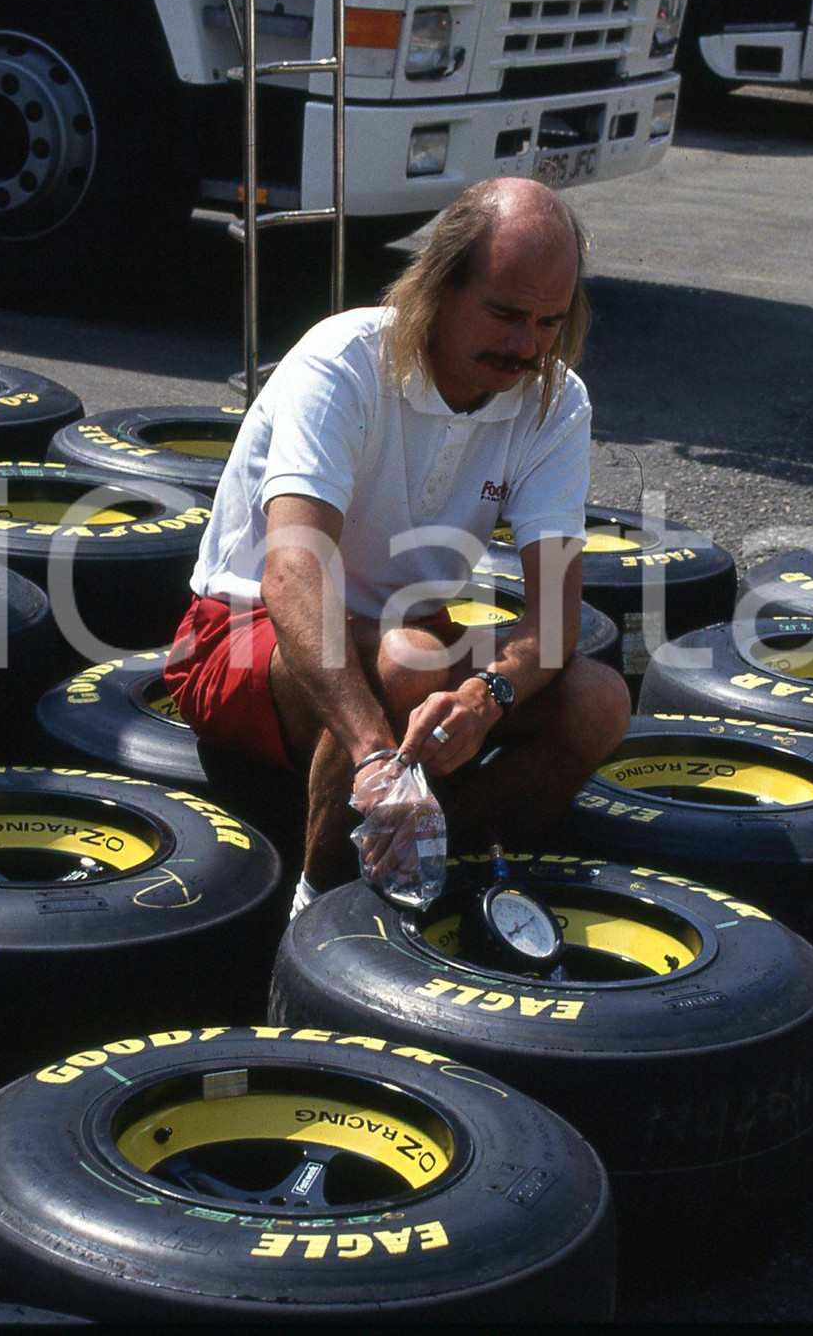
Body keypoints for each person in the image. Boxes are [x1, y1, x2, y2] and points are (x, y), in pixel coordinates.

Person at [164, 176, 631, 916]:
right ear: (441, 286)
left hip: (403, 635)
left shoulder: (556, 398)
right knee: (409, 662)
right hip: (241, 633)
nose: (525, 345)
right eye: (506, 314)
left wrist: (488, 696)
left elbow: (555, 619)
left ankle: (446, 865)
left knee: (598, 700)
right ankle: (317, 913)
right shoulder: (344, 359)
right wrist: (376, 754)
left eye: (549, 321)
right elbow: (291, 574)